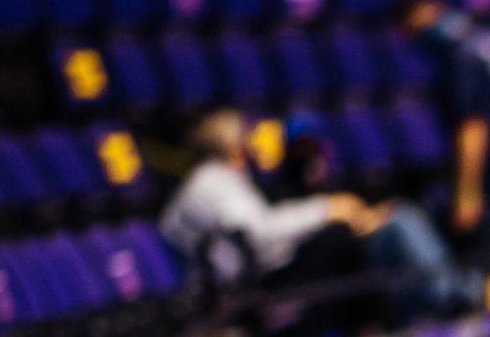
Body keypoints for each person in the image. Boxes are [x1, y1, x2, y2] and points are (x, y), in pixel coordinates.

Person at [158, 110, 468, 321]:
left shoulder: (209, 182)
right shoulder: (213, 180)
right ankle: (453, 298)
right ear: (232, 146)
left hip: (254, 273)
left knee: (378, 230)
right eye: (244, 142)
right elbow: (260, 230)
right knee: (348, 238)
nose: (251, 149)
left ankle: (447, 297)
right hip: (256, 285)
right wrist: (328, 209)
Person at [401, 0, 490, 270]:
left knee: (488, 272)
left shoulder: (460, 58)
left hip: (489, 181)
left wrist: (468, 193)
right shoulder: (481, 43)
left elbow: (473, 127)